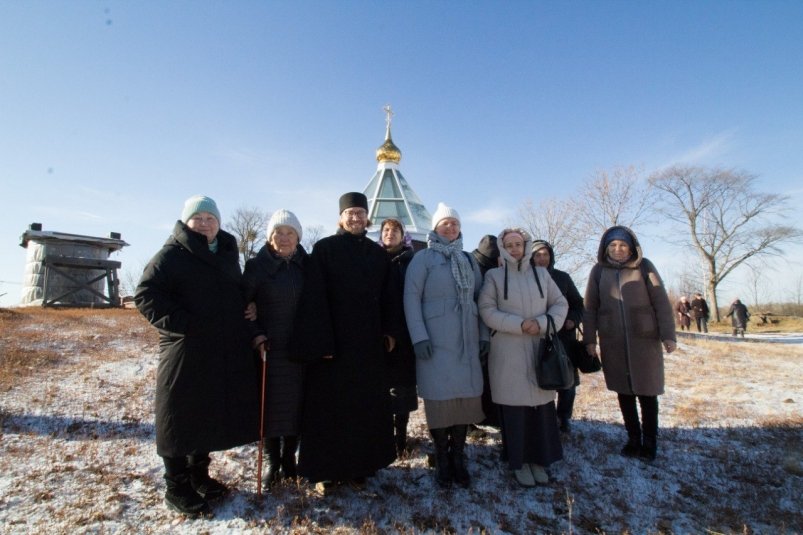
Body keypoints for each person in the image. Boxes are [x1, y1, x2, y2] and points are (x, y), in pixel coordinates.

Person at [135, 195, 260, 516]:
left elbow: (232, 291)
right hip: (184, 348)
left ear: (219, 222)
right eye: (198, 218)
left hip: (219, 348)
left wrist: (248, 304)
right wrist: (184, 325)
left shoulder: (227, 254)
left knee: (205, 411)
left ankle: (198, 475)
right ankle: (176, 486)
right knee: (177, 413)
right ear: (186, 222)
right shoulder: (171, 255)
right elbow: (146, 295)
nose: (205, 223)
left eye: (211, 218)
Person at [290, 192, 401, 492]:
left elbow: (390, 296)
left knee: (363, 408)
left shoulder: (378, 255)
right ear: (340, 217)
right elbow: (313, 298)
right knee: (328, 410)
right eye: (350, 213)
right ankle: (325, 472)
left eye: (360, 213)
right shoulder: (324, 249)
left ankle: (360, 467)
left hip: (367, 347)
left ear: (368, 218)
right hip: (333, 348)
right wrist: (321, 342)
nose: (355, 218)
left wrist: (390, 331)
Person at [404, 202, 488, 488]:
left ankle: (459, 458)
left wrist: (484, 335)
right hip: (435, 342)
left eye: (454, 224)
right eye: (444, 224)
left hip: (466, 339)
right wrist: (419, 337)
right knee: (439, 400)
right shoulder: (423, 259)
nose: (450, 228)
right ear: (435, 228)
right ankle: (442, 456)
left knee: (464, 399)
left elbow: (482, 299)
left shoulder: (468, 260)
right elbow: (411, 299)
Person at [479, 229, 568, 487]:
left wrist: (542, 323)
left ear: (526, 246)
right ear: (503, 248)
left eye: (519, 244)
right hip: (509, 352)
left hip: (539, 349)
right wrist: (519, 325)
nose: (515, 249)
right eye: (510, 245)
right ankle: (518, 462)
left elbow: (560, 304)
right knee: (516, 410)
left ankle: (540, 460)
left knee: (540, 409)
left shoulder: (542, 274)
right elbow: (486, 310)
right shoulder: (494, 277)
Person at [582, 226, 676, 462]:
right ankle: (633, 439)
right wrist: (590, 340)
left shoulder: (644, 267)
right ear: (605, 249)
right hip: (612, 340)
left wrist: (668, 335)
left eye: (622, 245)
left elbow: (661, 303)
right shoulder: (598, 271)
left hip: (644, 340)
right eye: (612, 246)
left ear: (632, 248)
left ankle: (650, 442)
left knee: (647, 392)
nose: (618, 249)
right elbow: (590, 307)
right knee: (623, 393)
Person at [241, 209, 307, 490]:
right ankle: (272, 462)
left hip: (300, 348)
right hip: (269, 347)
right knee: (270, 408)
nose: (284, 237)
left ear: (298, 237)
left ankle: (290, 460)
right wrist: (256, 335)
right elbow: (242, 306)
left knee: (296, 407)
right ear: (269, 238)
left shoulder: (307, 265)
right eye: (278, 233)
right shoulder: (257, 267)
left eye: (290, 232)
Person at [531, 240, 584, 434]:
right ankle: (544, 417)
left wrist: (572, 319)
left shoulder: (563, 278)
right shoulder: (526, 278)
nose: (542, 258)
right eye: (537, 255)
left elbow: (578, 304)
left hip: (564, 338)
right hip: (537, 337)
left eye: (545, 254)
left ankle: (563, 417)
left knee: (567, 380)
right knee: (541, 377)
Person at [378, 218, 418, 456]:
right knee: (382, 387)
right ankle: (383, 435)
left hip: (405, 332)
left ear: (403, 235)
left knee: (403, 387)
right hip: (379, 332)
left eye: (395, 230)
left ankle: (400, 437)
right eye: (386, 229)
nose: (390, 233)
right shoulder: (373, 259)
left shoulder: (411, 261)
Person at [471, 235, 502, 429]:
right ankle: (486, 415)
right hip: (485, 326)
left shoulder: (471, 262)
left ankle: (483, 415)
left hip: (480, 326)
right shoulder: (491, 268)